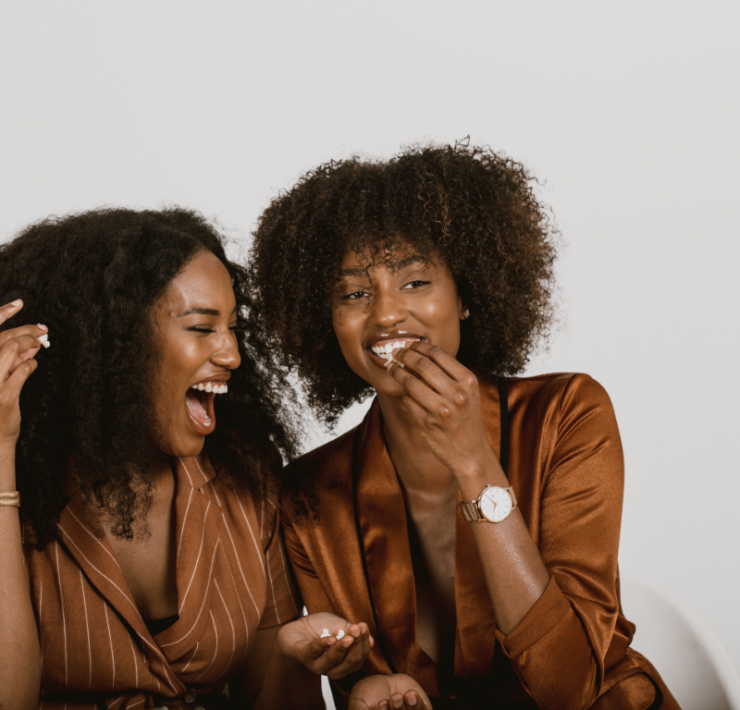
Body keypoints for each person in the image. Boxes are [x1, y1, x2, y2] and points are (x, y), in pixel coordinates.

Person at [246, 143, 681, 710]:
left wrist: (474, 463)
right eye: (354, 294)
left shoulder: (567, 415)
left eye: (415, 282)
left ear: (467, 295)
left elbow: (569, 687)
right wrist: (370, 691)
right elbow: (359, 682)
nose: (385, 313)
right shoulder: (309, 496)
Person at [0, 208, 373, 710]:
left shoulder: (247, 473)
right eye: (201, 327)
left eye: (233, 328)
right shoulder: (21, 481)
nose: (232, 354)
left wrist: (291, 657)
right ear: (111, 343)